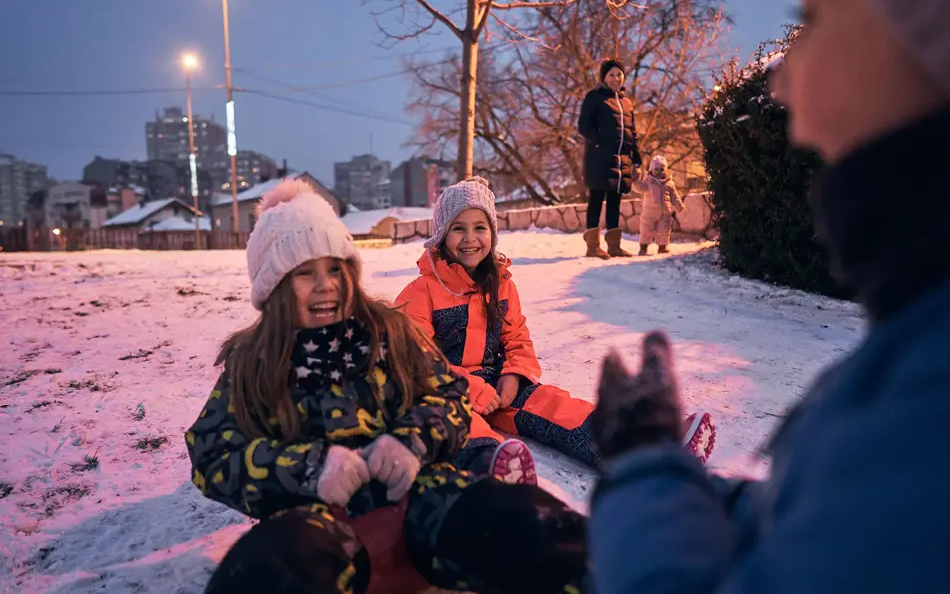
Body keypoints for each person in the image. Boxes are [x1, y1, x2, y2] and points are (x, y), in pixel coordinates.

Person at [587, 0, 950, 591]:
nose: (781, 86)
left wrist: (639, 475)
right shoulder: (916, 350)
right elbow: (825, 530)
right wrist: (675, 482)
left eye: (811, 23)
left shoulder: (928, 410)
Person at [185, 178, 590, 594]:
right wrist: (309, 469)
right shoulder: (255, 363)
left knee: (516, 521)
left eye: (336, 269)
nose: (326, 285)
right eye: (305, 273)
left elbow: (447, 395)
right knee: (268, 567)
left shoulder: (388, 333)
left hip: (419, 499)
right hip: (318, 522)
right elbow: (212, 452)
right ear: (274, 286)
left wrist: (412, 441)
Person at [395, 176, 717, 470]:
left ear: (492, 233)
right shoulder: (421, 292)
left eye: (480, 227)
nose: (470, 238)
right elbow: (419, 362)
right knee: (458, 424)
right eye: (458, 228)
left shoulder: (501, 283)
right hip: (448, 390)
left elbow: (517, 338)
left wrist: (514, 374)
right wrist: (469, 387)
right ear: (441, 235)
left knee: (555, 405)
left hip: (498, 385)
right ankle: (496, 473)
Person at [578, 58, 644, 259]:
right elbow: (584, 127)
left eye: (619, 74)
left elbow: (632, 133)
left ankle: (614, 246)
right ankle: (593, 247)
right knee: (596, 199)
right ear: (604, 78)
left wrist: (637, 160)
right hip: (599, 158)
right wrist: (600, 143)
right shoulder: (594, 98)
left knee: (615, 201)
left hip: (621, 159)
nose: (616, 78)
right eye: (612, 75)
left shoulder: (626, 103)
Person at [633, 155, 686, 256]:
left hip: (665, 212)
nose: (659, 171)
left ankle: (662, 247)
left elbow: (674, 195)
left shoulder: (669, 182)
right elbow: (640, 188)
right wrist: (635, 182)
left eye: (662, 169)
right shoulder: (648, 180)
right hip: (649, 212)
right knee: (646, 229)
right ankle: (643, 247)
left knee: (664, 229)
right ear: (651, 169)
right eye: (656, 169)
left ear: (665, 170)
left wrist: (679, 206)